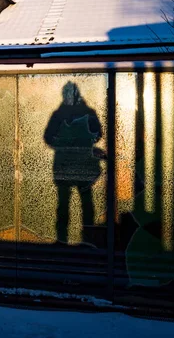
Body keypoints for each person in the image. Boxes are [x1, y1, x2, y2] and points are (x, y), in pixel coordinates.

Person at [44, 82, 104, 244]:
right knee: (85, 203)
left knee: (66, 203)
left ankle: (63, 240)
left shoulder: (58, 115)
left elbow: (48, 137)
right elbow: (98, 134)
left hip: (65, 164)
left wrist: (64, 143)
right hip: (82, 164)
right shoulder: (88, 113)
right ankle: (87, 240)